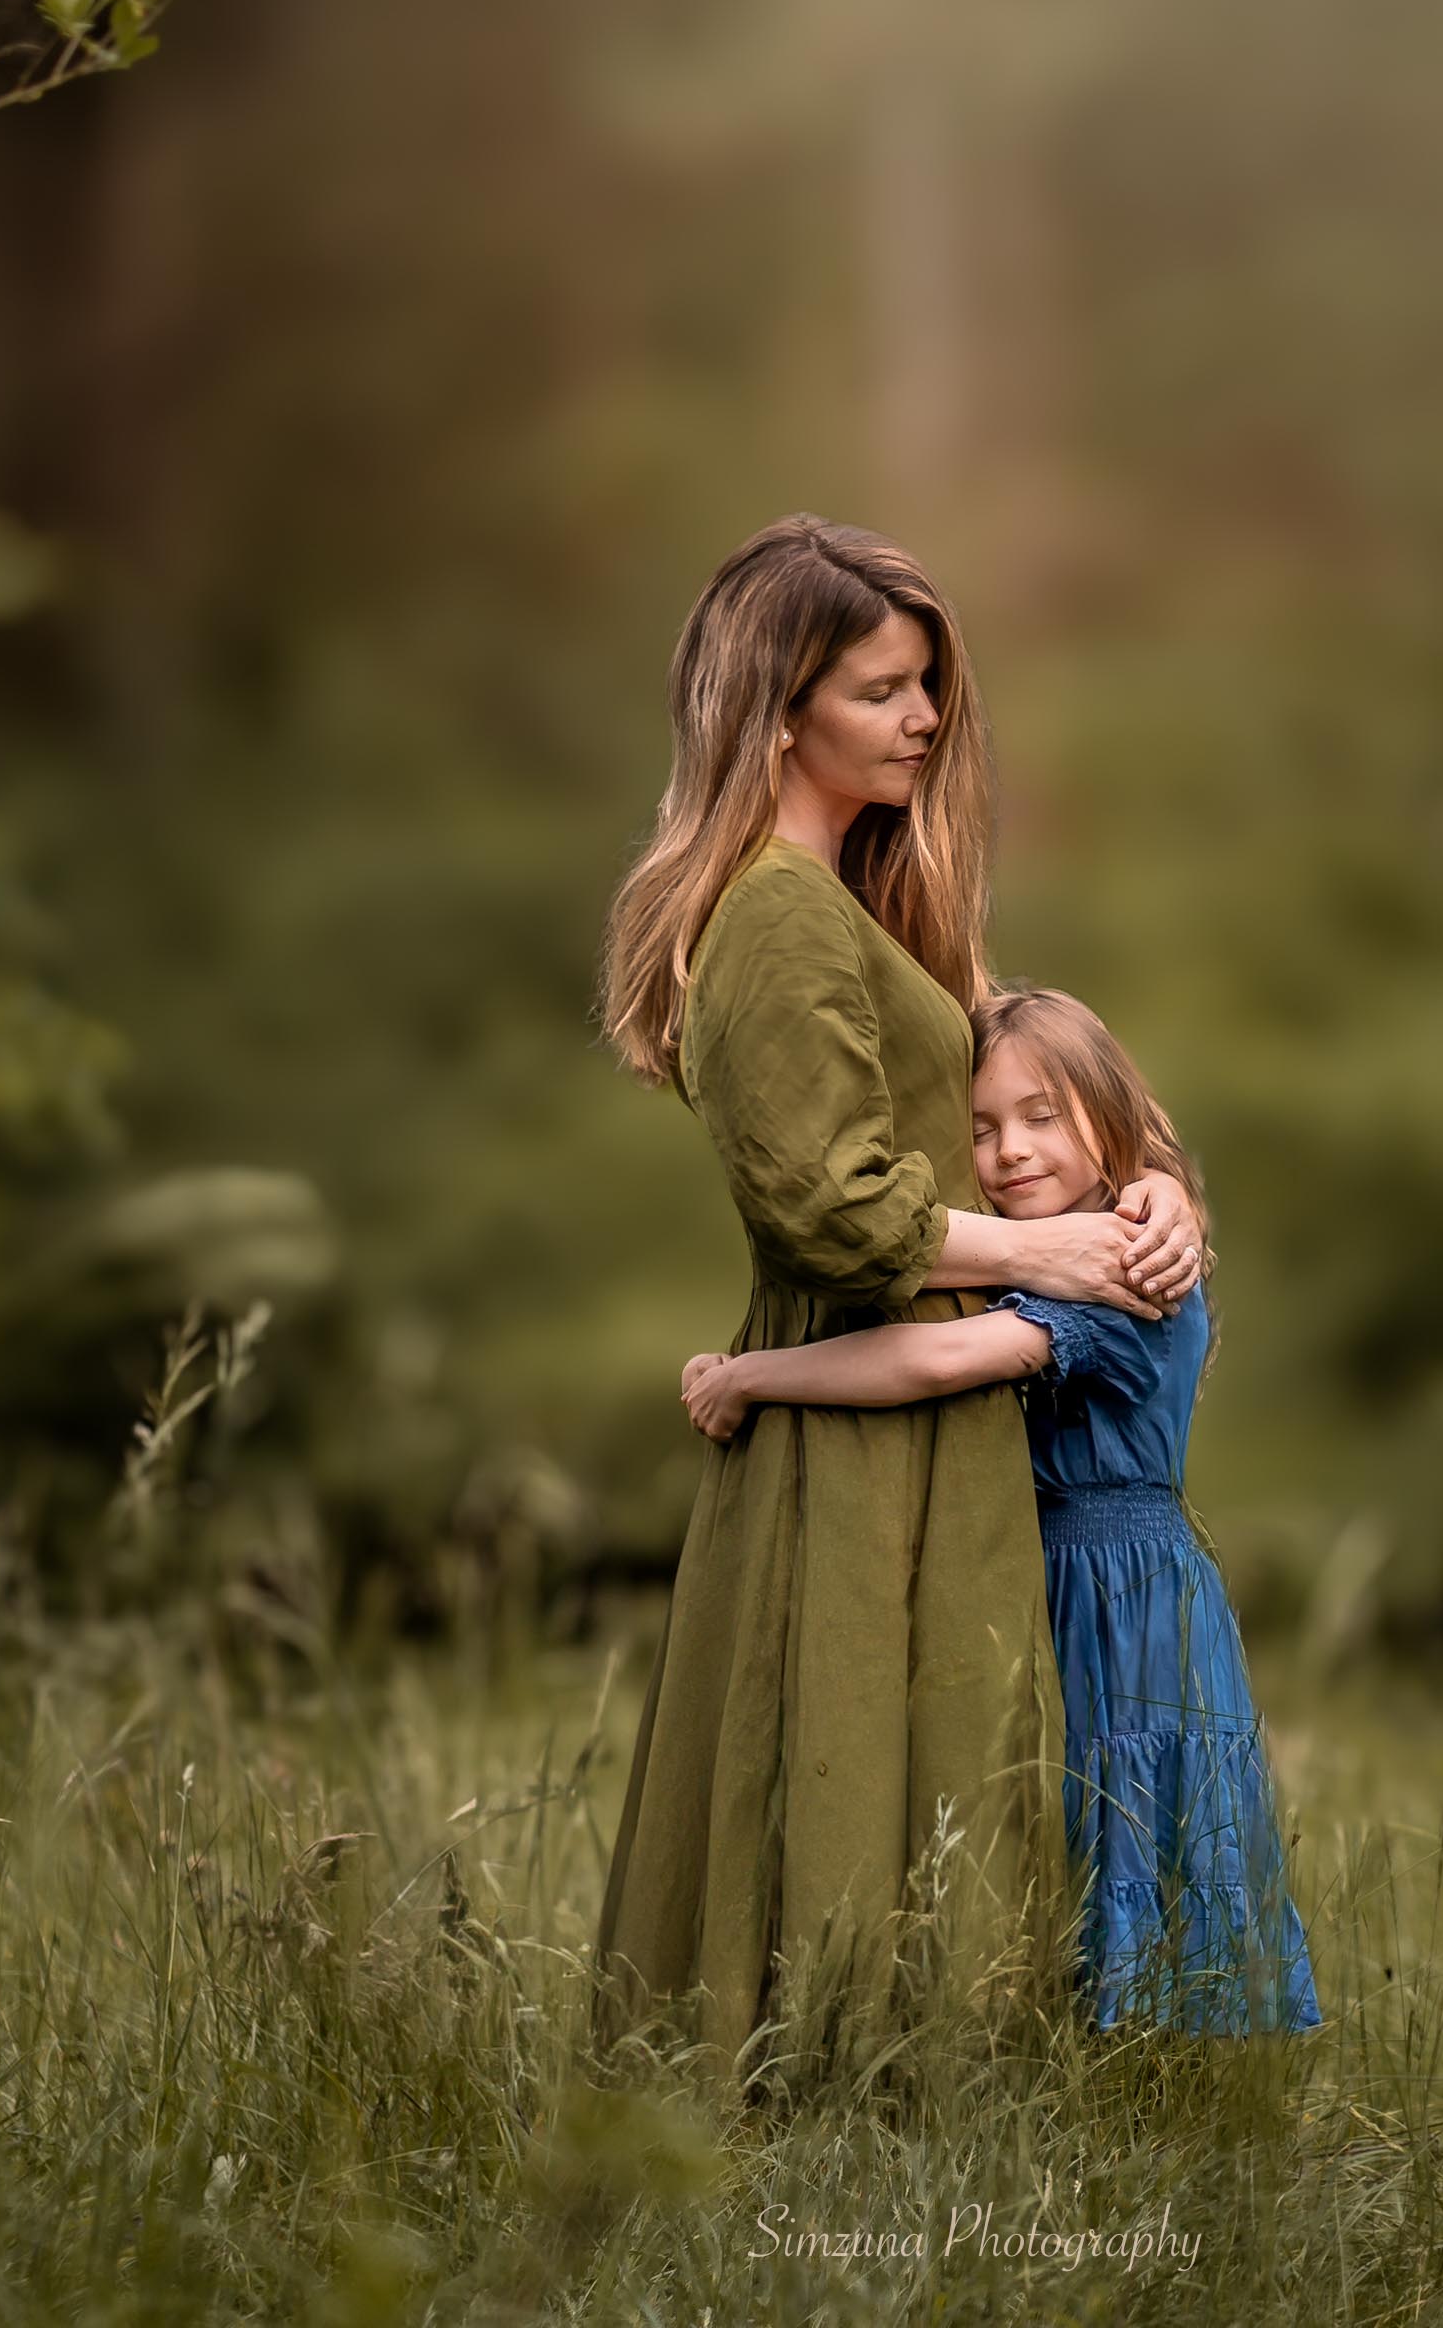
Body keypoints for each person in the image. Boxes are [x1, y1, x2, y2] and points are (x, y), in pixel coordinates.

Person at [591, 517, 1205, 2070]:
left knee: (920, 1757)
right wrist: (1047, 1254)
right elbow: (833, 1208)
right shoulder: (777, 911)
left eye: (927, 685)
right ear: (776, 707)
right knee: (853, 1750)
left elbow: (1015, 1078)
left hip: (923, 1402)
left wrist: (1150, 1185)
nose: (925, 718)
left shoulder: (841, 903)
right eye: (882, 689)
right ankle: (826, 2129)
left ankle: (917, 2120)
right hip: (860, 1415)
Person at [682, 981, 1322, 2038]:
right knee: (1065, 1825)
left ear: (1106, 1118)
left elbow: (933, 1359)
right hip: (1068, 1577)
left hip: (1117, 1596)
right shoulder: (1075, 1249)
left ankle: (1153, 2091)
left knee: (1118, 1822)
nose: (1009, 1151)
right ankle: (1091, 2067)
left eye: (1040, 1116)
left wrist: (754, 1376)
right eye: (978, 1129)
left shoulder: (1115, 1268)